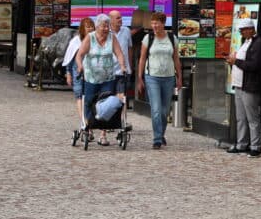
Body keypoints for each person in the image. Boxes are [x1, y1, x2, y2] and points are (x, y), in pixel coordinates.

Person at [75, 13, 127, 146]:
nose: (105, 29)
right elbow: (79, 55)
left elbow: (119, 53)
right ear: (97, 26)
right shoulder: (90, 38)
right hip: (91, 78)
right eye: (103, 26)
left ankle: (103, 134)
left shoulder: (112, 37)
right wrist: (80, 66)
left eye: (107, 26)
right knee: (89, 103)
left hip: (108, 77)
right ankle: (89, 128)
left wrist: (122, 66)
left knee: (106, 104)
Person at [136, 11, 182, 150]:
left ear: (163, 23)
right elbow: (142, 58)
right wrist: (140, 77)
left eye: (157, 23)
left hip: (168, 77)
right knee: (156, 109)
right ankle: (157, 139)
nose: (154, 25)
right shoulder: (148, 38)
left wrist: (179, 77)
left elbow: (176, 58)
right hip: (152, 77)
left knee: (164, 111)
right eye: (153, 23)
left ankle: (161, 133)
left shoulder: (172, 38)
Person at [225, 17, 261, 156]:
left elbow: (254, 65)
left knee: (252, 118)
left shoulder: (258, 44)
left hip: (250, 85)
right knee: (241, 117)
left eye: (243, 30)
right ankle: (241, 143)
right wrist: (233, 61)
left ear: (250, 29)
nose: (241, 32)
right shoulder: (246, 42)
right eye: (240, 30)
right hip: (239, 84)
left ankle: (255, 145)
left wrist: (235, 61)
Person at [63, 17, 95, 132]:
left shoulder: (95, 40)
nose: (90, 29)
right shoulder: (76, 41)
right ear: (83, 29)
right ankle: (84, 121)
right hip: (78, 72)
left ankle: (89, 120)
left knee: (89, 97)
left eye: (92, 26)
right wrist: (68, 73)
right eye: (88, 27)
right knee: (79, 95)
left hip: (91, 73)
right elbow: (70, 59)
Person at [109, 11, 133, 103]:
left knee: (122, 96)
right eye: (118, 18)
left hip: (124, 71)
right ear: (111, 20)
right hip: (110, 71)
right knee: (110, 96)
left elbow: (130, 48)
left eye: (121, 17)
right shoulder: (106, 32)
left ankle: (121, 115)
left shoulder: (126, 30)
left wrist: (130, 66)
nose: (121, 19)